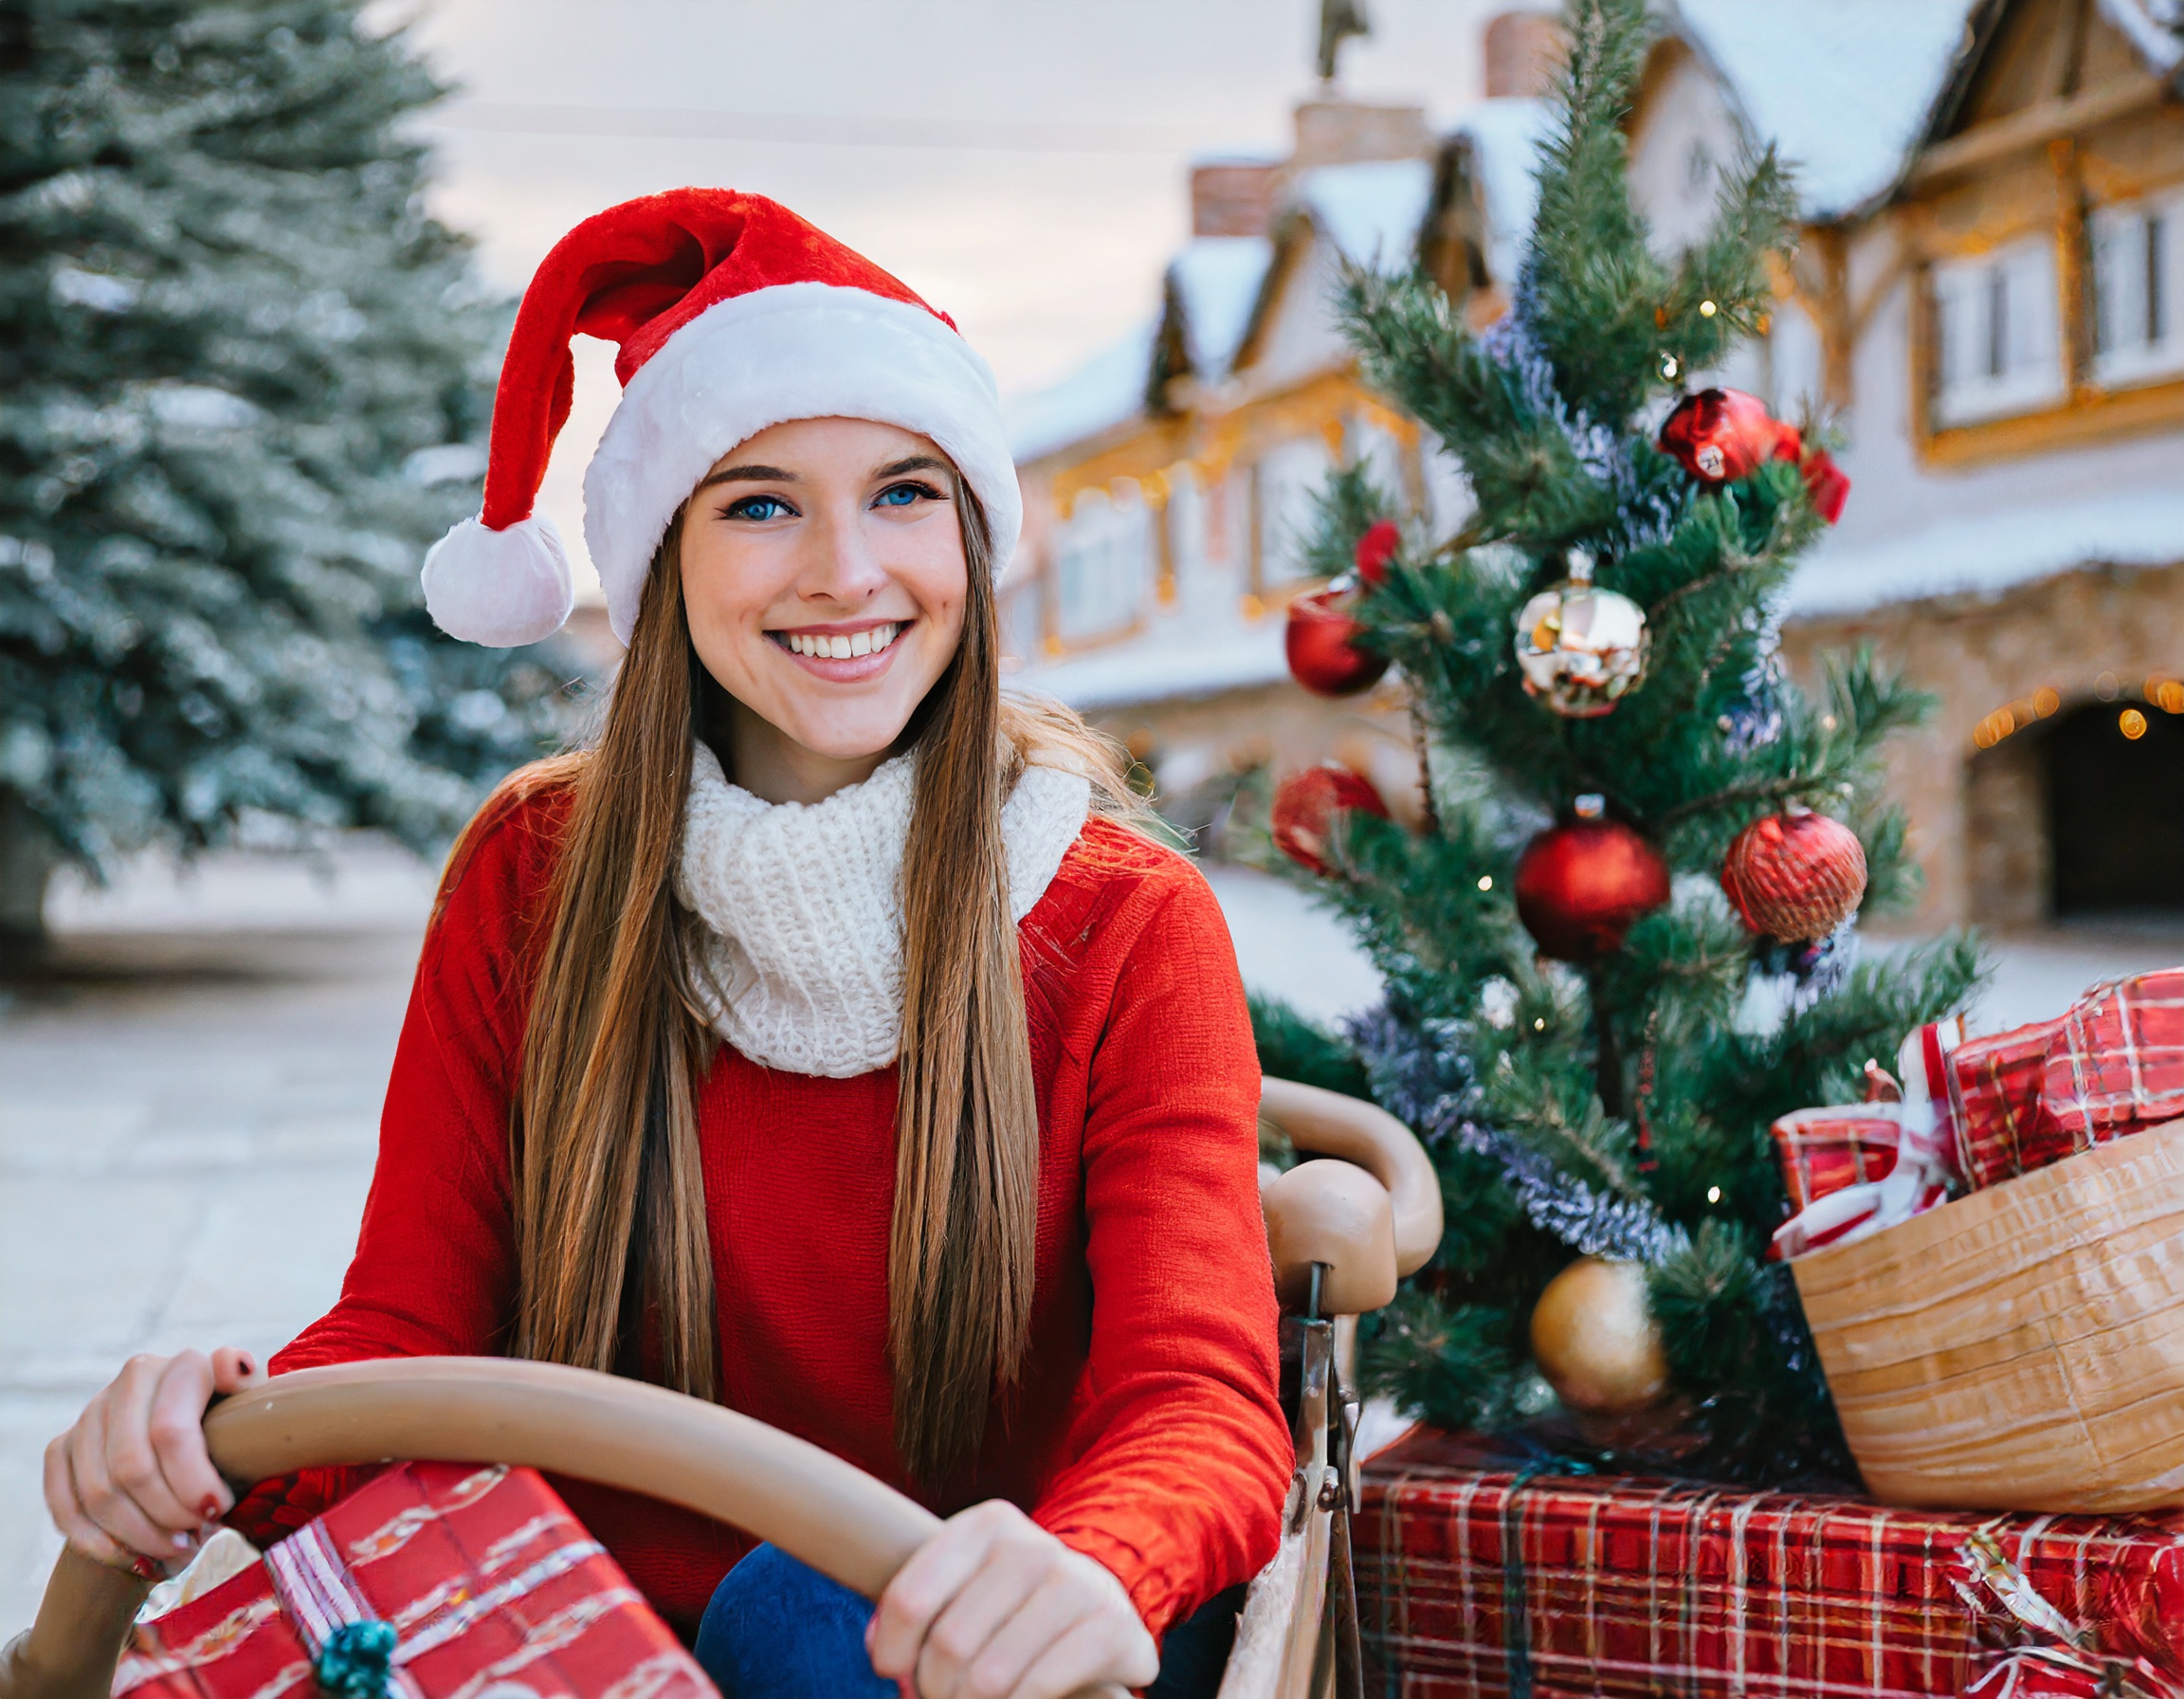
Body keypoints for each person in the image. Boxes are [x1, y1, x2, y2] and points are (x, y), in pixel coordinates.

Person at [42, 191, 1292, 1699]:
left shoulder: (1124, 921)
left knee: (801, 1610)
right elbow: (411, 1317)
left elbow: (1198, 1401)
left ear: (971, 537)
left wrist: (1100, 1562)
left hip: (962, 1651)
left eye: (904, 494)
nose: (846, 571)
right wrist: (206, 1428)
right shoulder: (536, 872)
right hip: (569, 1633)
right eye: (761, 504)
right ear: (665, 564)